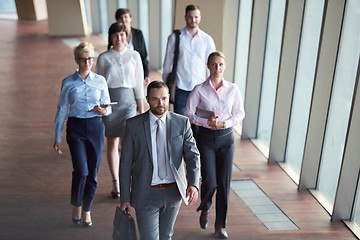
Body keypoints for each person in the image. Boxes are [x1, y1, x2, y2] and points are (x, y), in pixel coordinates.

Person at [119, 80, 200, 240]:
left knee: (166, 236)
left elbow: (193, 155)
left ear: (169, 97)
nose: (160, 103)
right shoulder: (133, 125)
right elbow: (125, 163)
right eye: (155, 99)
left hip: (173, 192)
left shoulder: (181, 122)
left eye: (163, 98)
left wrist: (194, 184)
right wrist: (125, 198)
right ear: (147, 99)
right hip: (145, 192)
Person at [184, 51, 245, 239]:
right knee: (210, 182)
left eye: (220, 64)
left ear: (224, 66)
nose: (217, 68)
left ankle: (220, 226)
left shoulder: (233, 89)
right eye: (213, 65)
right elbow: (188, 114)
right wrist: (206, 121)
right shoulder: (199, 89)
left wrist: (224, 123)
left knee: (224, 185)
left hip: (227, 139)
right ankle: (205, 207)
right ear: (208, 66)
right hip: (206, 139)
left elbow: (240, 113)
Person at [53, 42, 111, 227]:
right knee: (81, 170)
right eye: (83, 59)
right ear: (77, 60)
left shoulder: (100, 81)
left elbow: (107, 108)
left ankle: (87, 210)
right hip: (76, 127)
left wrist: (103, 111)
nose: (87, 62)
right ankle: (76, 205)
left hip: (95, 127)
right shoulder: (68, 82)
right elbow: (62, 109)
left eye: (90, 59)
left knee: (93, 172)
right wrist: (57, 137)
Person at [96, 23, 145, 199]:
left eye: (122, 35)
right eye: (115, 35)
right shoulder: (103, 58)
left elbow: (139, 82)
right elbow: (99, 85)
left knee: (128, 145)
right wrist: (101, 107)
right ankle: (116, 182)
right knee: (112, 143)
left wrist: (141, 106)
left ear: (126, 36)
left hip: (129, 102)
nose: (119, 38)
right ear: (111, 37)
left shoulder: (134, 55)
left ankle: (128, 181)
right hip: (110, 103)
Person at [162, 4, 216, 115]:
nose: (193, 20)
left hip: (200, 88)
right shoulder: (175, 37)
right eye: (190, 17)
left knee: (198, 122)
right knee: (180, 121)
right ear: (185, 17)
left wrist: (212, 85)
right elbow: (167, 63)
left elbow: (212, 65)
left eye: (196, 17)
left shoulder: (207, 40)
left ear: (200, 17)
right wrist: (165, 85)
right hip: (180, 87)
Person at [115, 8, 150, 87]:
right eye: (121, 18)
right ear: (117, 20)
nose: (123, 20)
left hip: (137, 71)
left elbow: (144, 55)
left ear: (130, 18)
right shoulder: (115, 36)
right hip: (122, 74)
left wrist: (146, 74)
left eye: (125, 17)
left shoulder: (138, 33)